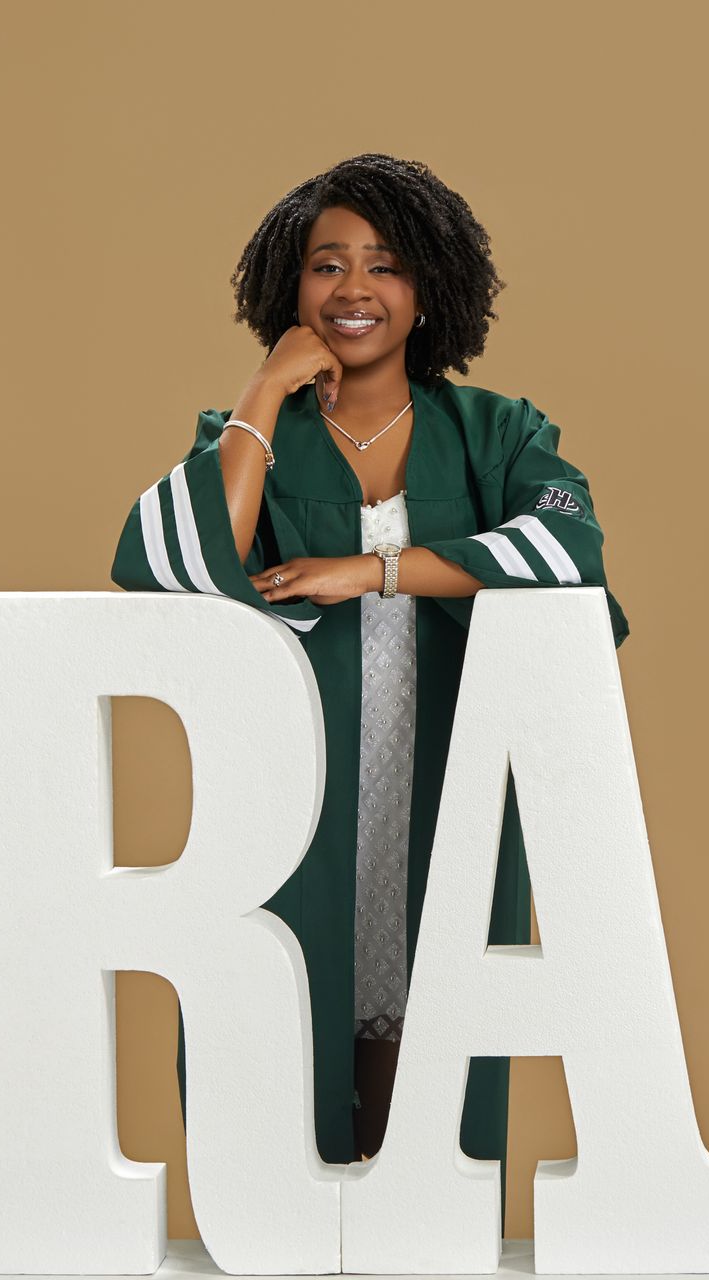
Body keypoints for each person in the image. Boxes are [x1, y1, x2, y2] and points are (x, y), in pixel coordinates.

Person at [109, 153, 628, 1175]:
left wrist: (374, 570)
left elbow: (570, 556)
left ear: (428, 287)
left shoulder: (495, 432)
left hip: (442, 774)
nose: (353, 288)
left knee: (430, 1036)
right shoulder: (246, 440)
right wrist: (263, 390)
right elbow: (174, 565)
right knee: (286, 1028)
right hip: (297, 788)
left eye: (384, 264)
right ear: (287, 288)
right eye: (325, 265)